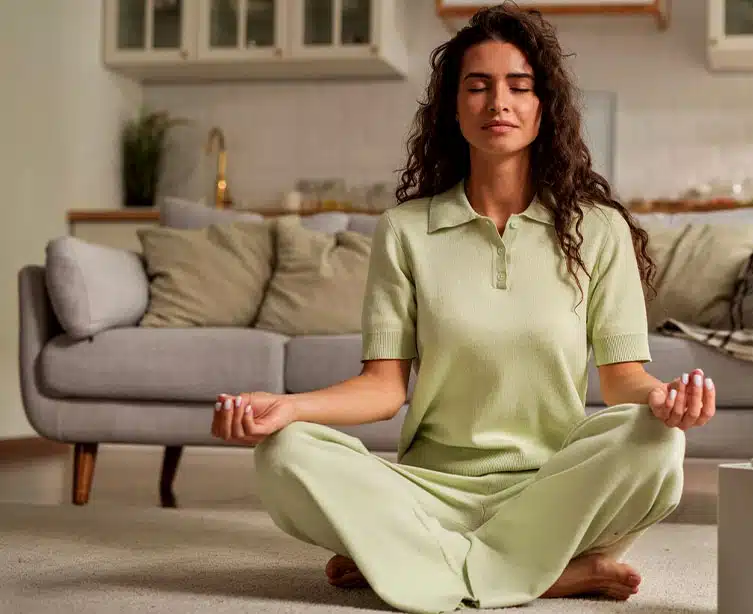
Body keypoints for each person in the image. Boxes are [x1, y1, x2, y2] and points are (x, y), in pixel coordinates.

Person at [209, 4, 716, 613]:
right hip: (428, 488)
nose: (497, 102)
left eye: (518, 87)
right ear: (453, 108)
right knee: (285, 453)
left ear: (542, 107)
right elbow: (382, 388)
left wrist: (666, 402)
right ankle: (546, 574)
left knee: (659, 444)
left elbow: (622, 380)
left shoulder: (597, 231)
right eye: (477, 86)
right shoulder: (404, 230)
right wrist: (285, 408)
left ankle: (406, 559)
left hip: (553, 490)